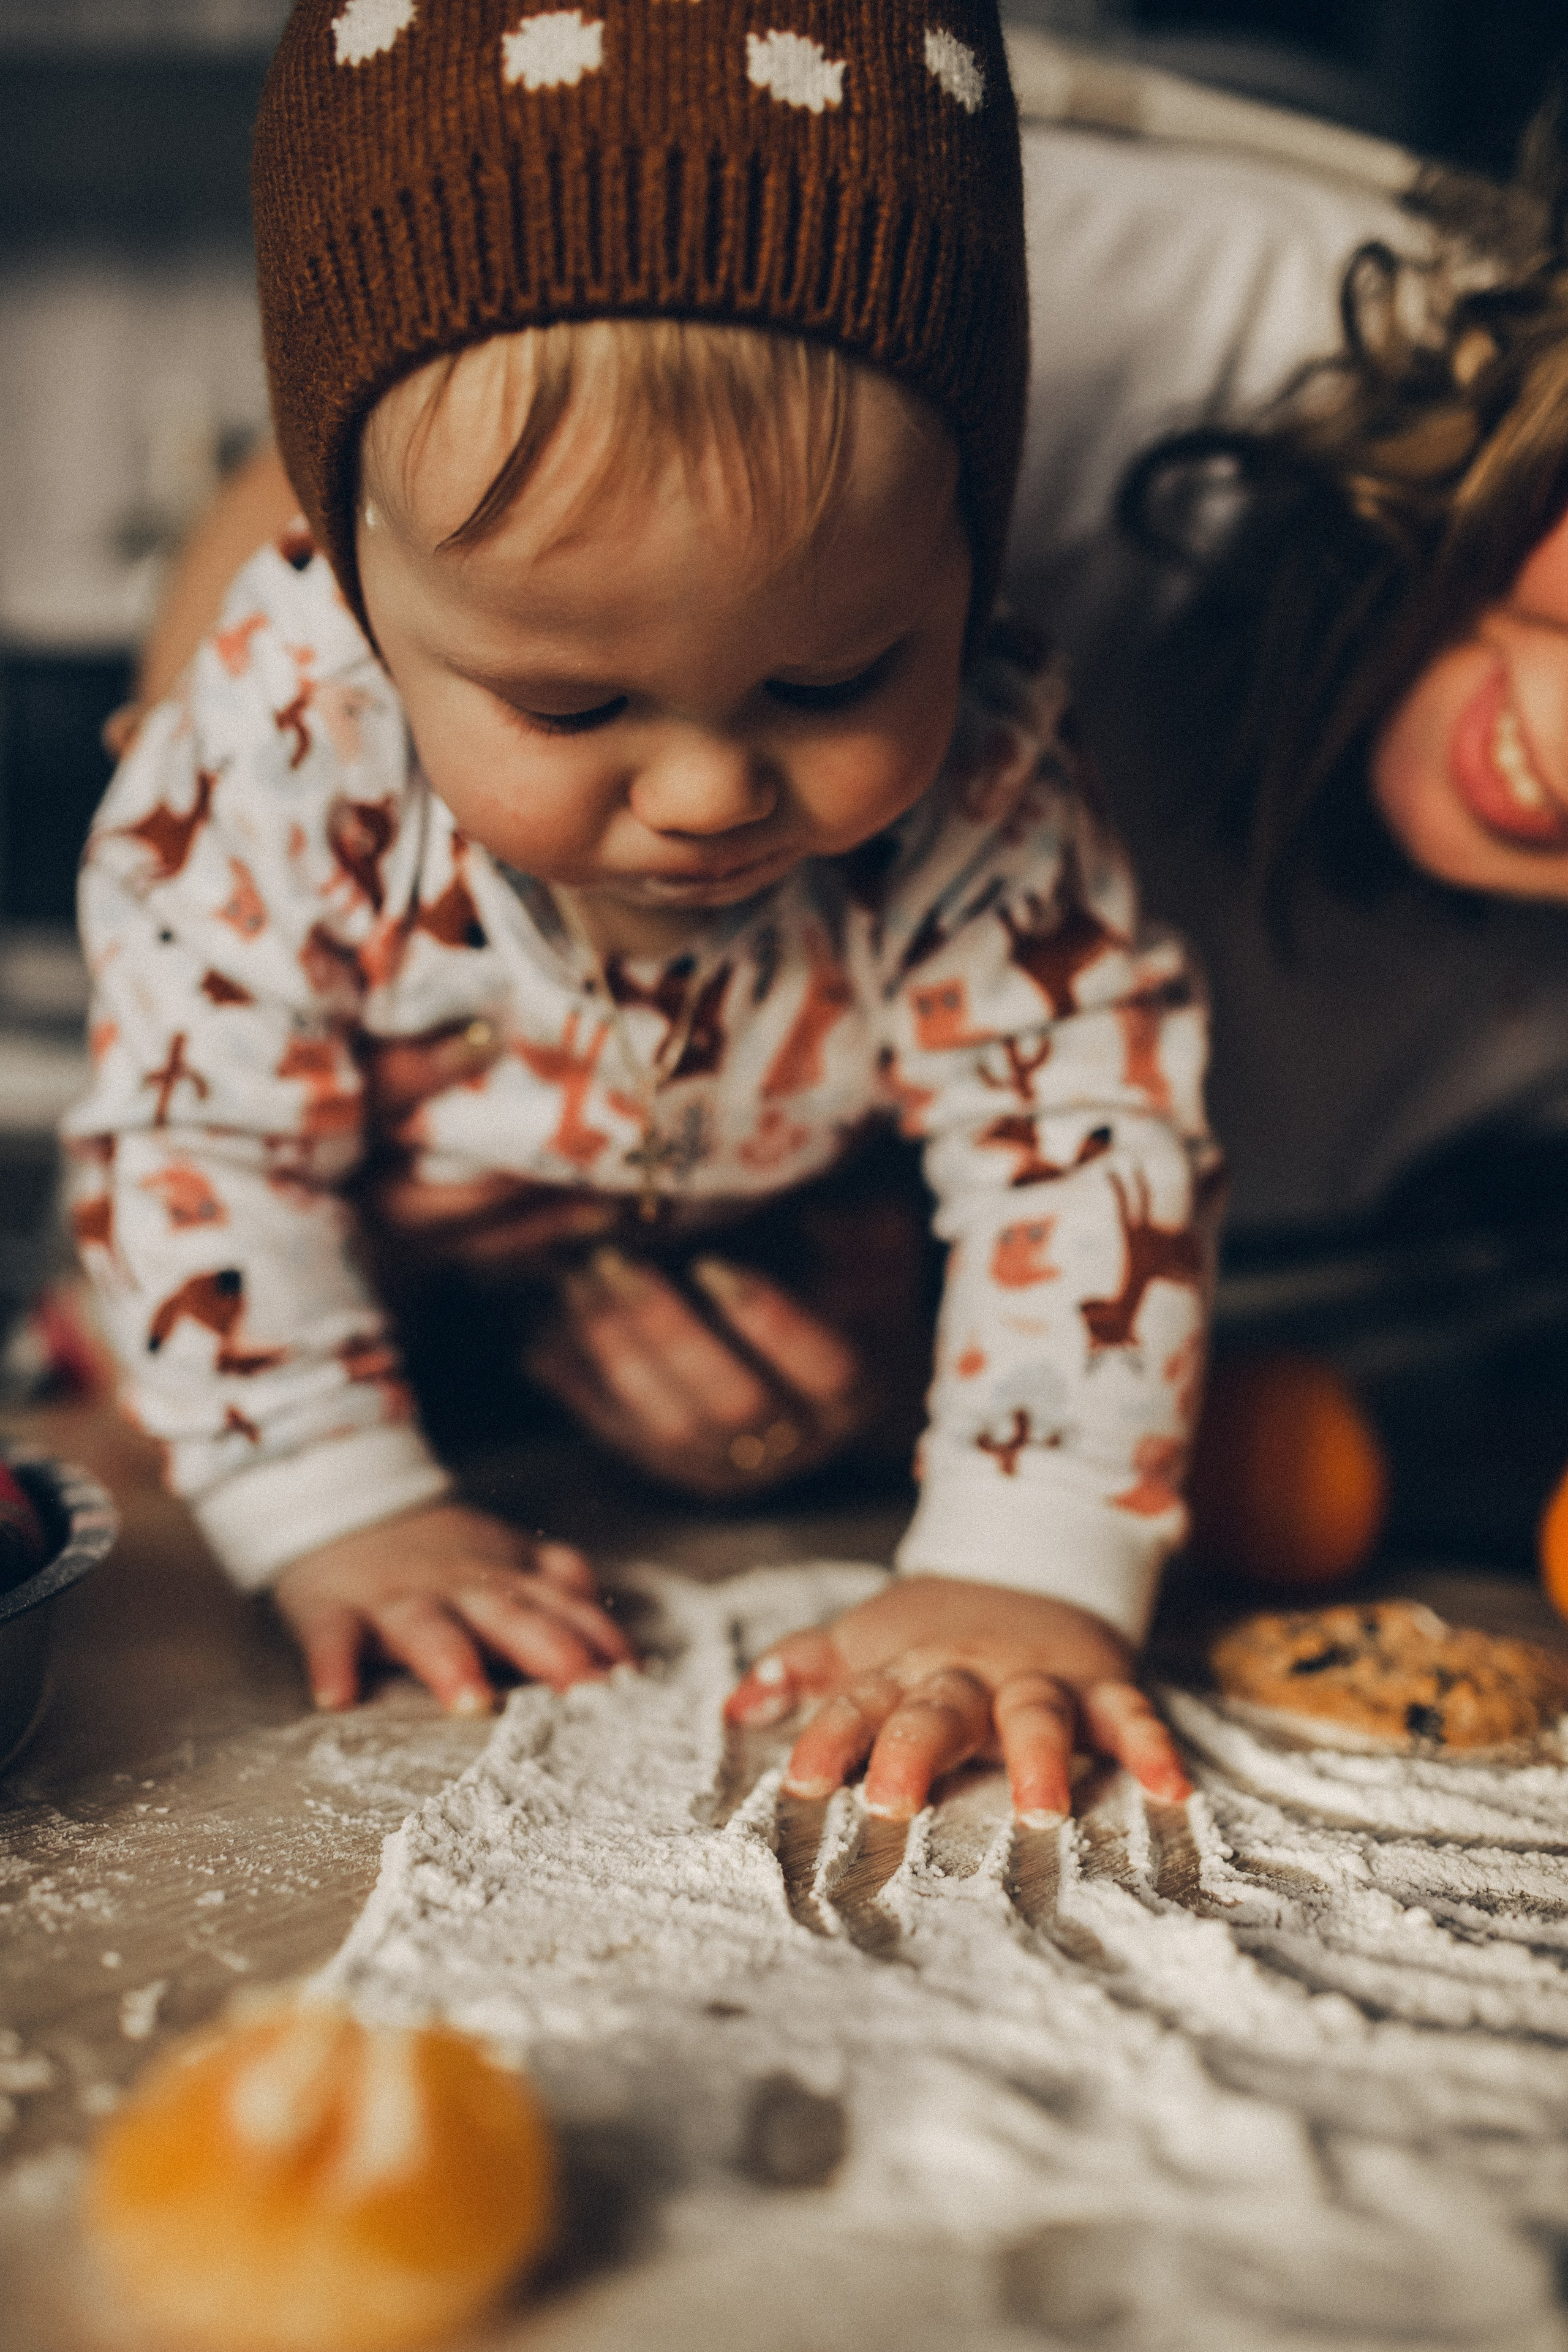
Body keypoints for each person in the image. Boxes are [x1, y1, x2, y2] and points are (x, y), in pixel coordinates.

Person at [65, 0, 1210, 1825]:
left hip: (754, 1309)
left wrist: (1028, 1555)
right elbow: (199, 1137)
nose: (707, 793)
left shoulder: (993, 779)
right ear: (360, 594)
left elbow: (1086, 1137)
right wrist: (340, 1505)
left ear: (966, 566)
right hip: (333, 1303)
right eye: (574, 707)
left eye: (833, 678)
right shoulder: (288, 741)